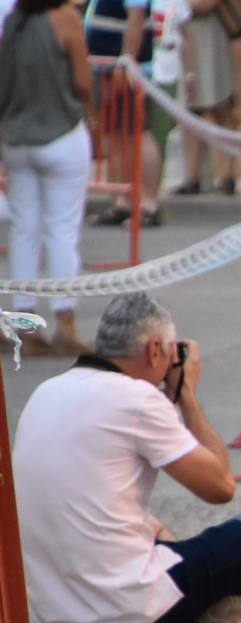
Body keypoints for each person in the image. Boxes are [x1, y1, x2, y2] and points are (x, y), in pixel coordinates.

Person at [12, 293, 241, 623]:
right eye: (173, 351)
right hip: (125, 606)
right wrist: (187, 396)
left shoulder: (46, 391)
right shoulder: (137, 398)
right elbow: (221, 487)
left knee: (151, 524)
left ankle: (208, 603)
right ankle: (209, 604)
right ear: (155, 350)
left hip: (50, 608)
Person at [0, 0, 94, 356]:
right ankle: (64, 322)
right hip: (61, 134)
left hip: (18, 138)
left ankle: (23, 321)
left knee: (24, 229)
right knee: (62, 230)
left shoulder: (13, 22)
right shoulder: (65, 18)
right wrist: (93, 117)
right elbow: (83, 82)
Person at [85, 0, 167, 227]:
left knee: (137, 132)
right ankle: (124, 202)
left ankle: (148, 202)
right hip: (105, 66)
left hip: (125, 68)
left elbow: (137, 16)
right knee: (116, 134)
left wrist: (126, 60)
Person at [171, 0, 239, 196]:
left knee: (220, 104)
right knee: (189, 108)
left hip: (210, 31)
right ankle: (191, 177)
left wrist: (182, 6)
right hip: (184, 32)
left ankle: (226, 174)